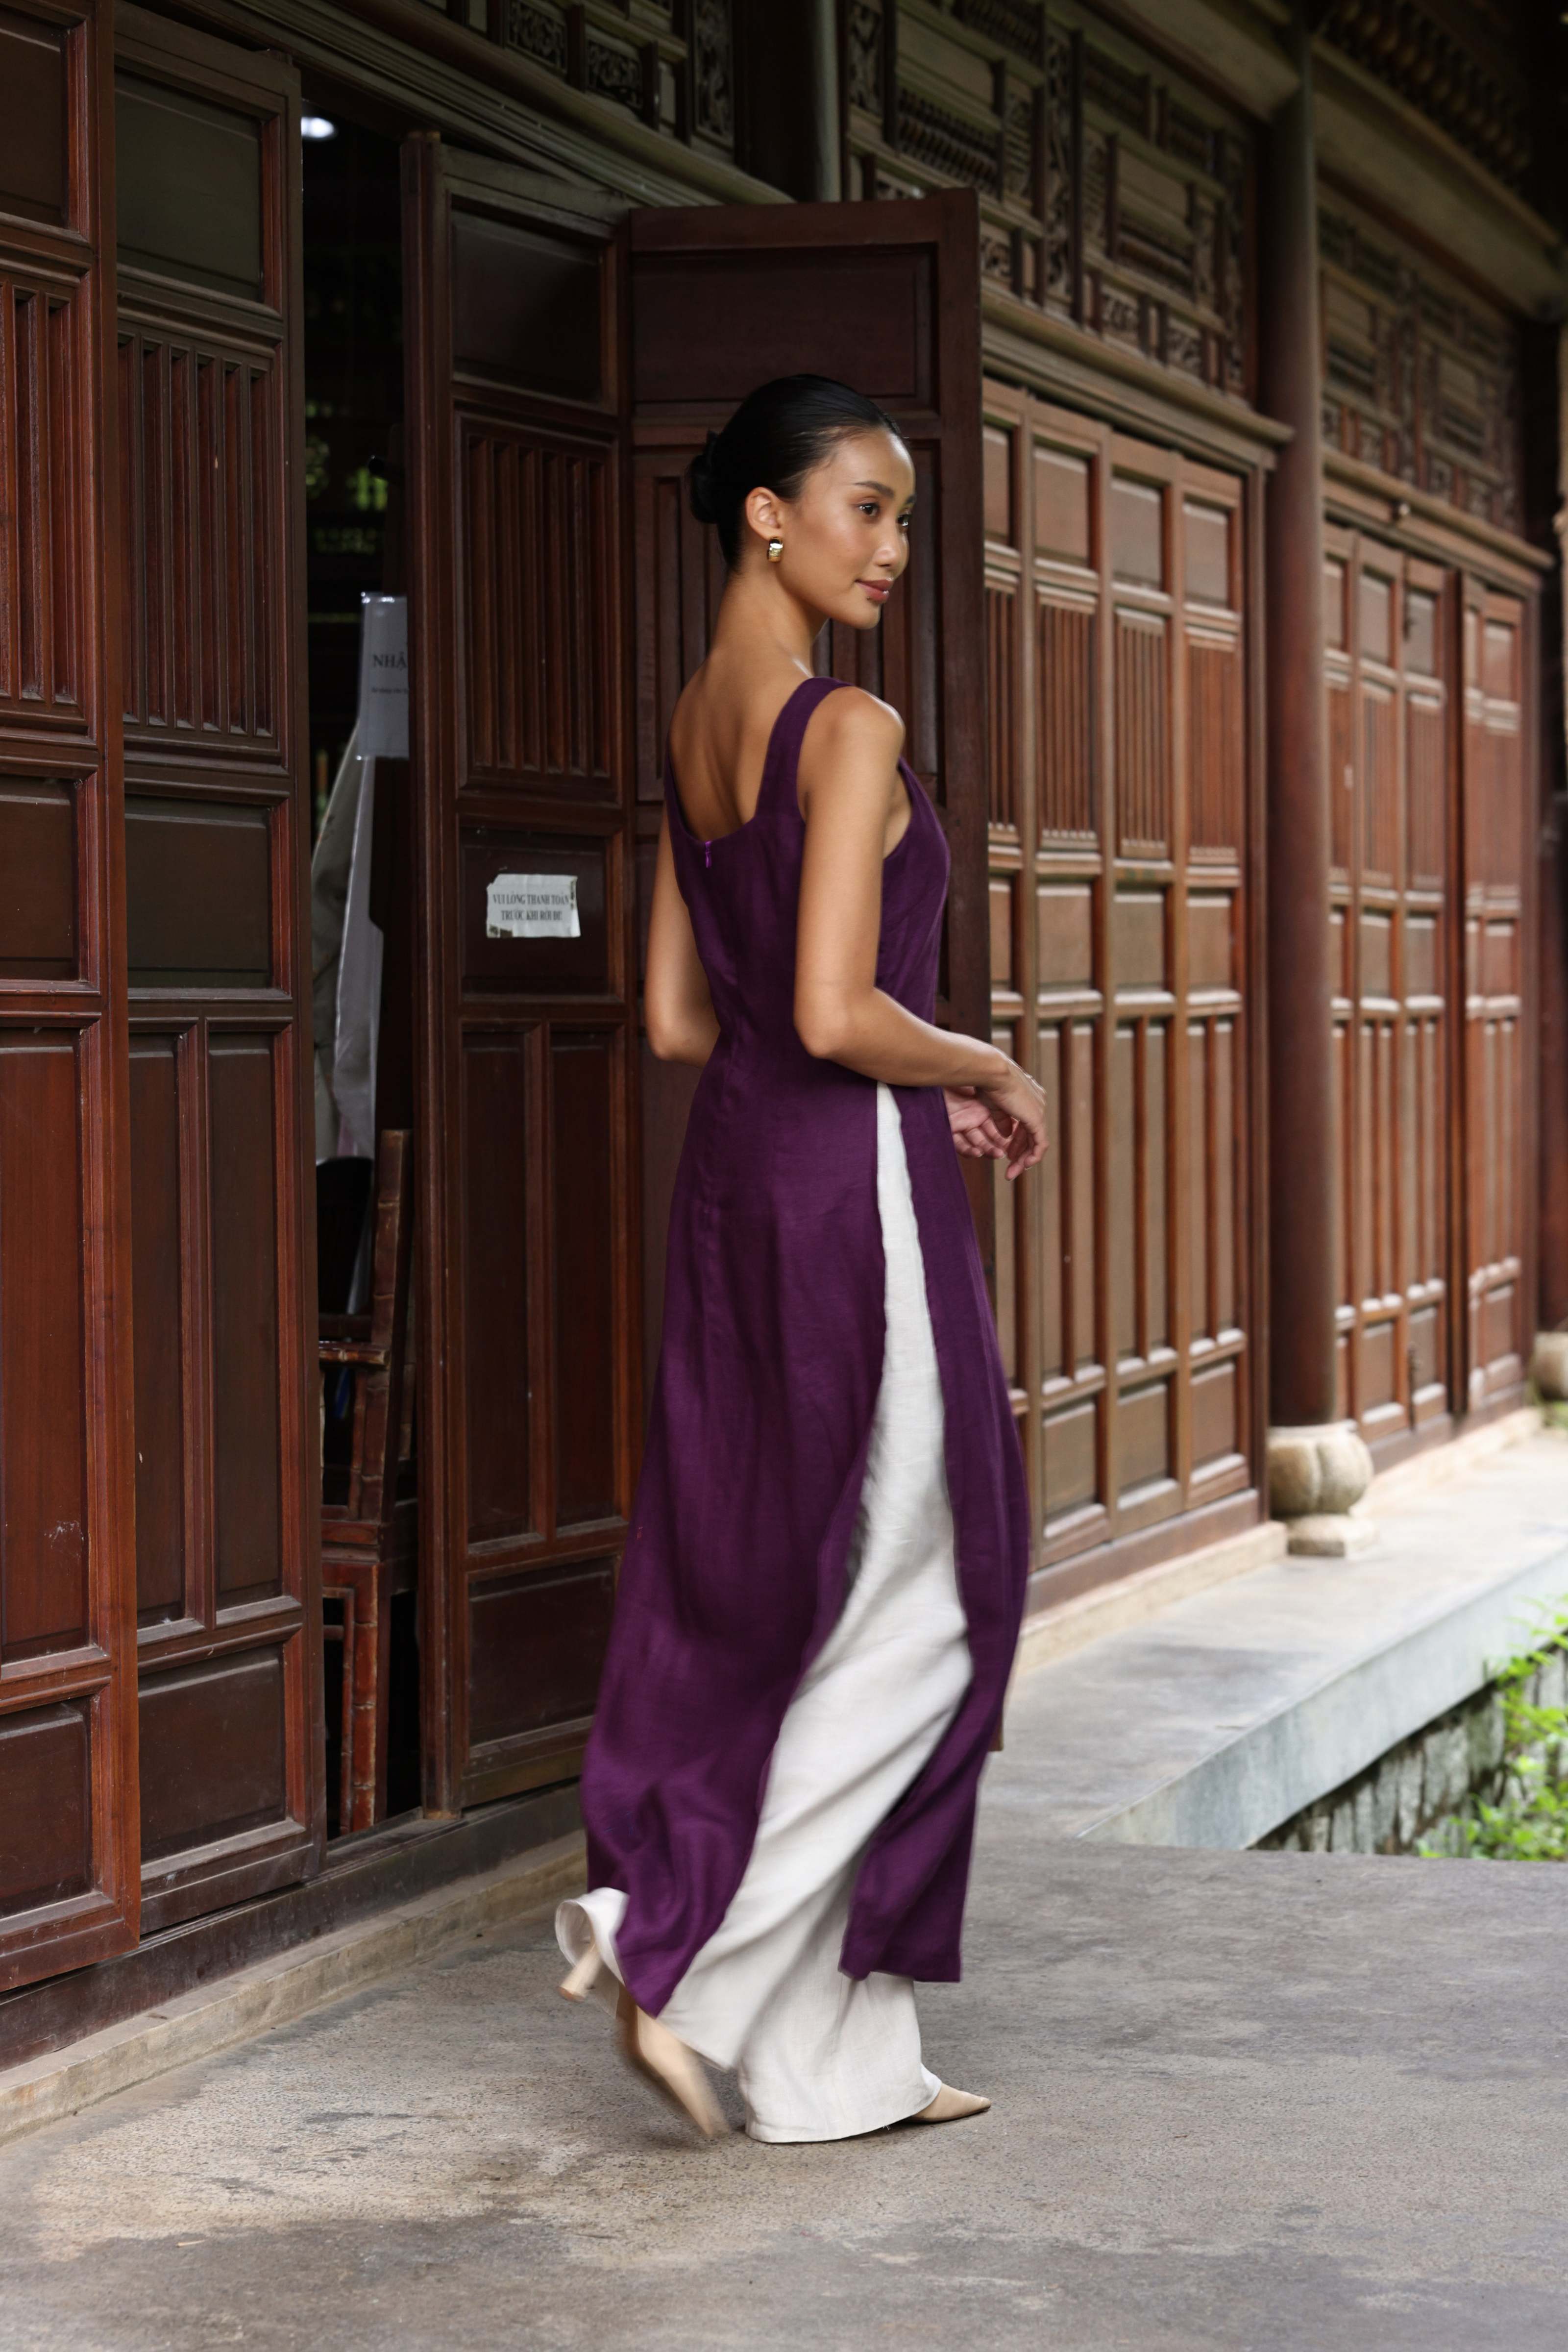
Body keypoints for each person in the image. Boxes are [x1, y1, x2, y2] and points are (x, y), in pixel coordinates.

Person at [556, 375, 1046, 2144]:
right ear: (768, 513)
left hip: (739, 1182)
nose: (892, 550)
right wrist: (981, 1061)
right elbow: (841, 1010)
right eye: (866, 508)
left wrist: (878, 1050)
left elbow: (687, 1019)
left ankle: (843, 2061)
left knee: (783, 1576)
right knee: (946, 1586)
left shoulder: (695, 722)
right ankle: (690, 1958)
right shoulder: (845, 730)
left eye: (901, 519)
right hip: (856, 1192)